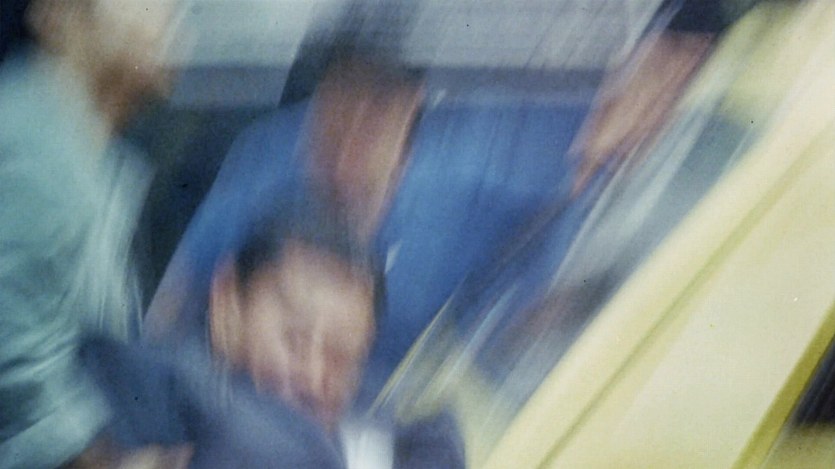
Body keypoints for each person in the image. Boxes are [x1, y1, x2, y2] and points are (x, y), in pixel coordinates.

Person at [0, 0, 178, 467]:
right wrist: (109, 459)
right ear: (55, 15)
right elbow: (16, 376)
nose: (165, 14)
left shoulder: (88, 154)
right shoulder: (33, 153)